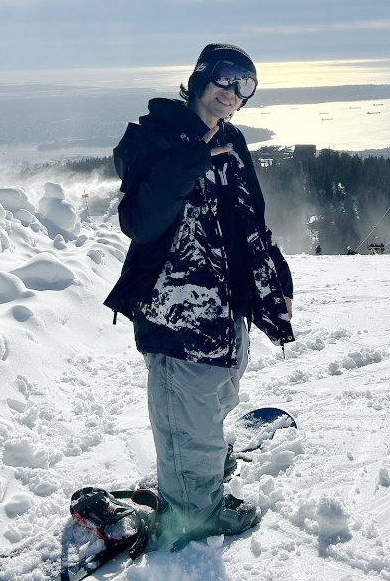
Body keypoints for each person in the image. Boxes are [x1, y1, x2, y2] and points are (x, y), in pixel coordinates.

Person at [104, 43, 294, 546]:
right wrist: (187, 161)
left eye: (244, 85)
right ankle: (195, 511)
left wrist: (276, 281)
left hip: (226, 309)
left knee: (215, 399)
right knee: (187, 410)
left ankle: (201, 472)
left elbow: (250, 217)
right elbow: (140, 223)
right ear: (201, 78)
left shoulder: (232, 141)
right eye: (225, 79)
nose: (232, 92)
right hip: (176, 317)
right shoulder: (156, 139)